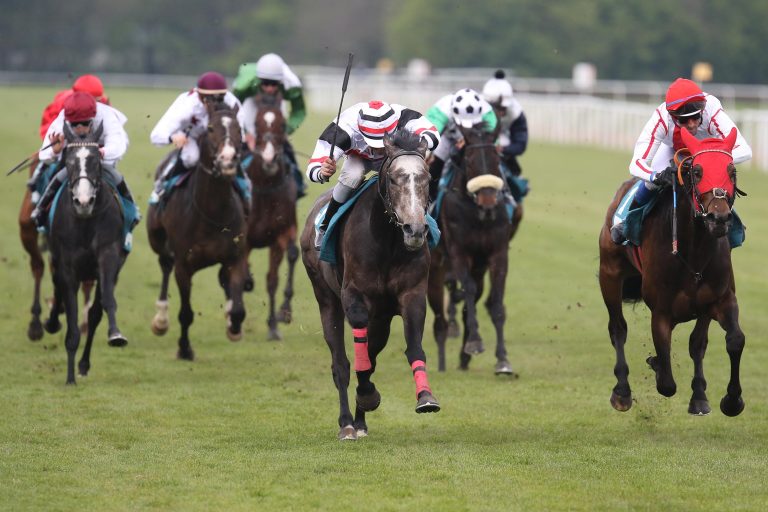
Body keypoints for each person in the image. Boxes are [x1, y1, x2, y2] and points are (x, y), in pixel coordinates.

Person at [610, 78, 753, 244]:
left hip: (709, 153)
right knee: (651, 183)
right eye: (684, 120)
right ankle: (627, 220)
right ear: (672, 116)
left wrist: (710, 161)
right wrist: (655, 176)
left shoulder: (711, 108)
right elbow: (636, 164)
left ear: (702, 110)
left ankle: (730, 222)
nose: (692, 124)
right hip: (673, 150)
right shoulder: (661, 118)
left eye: (695, 117)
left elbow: (744, 150)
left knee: (716, 183)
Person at [306, 100, 440, 249]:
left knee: (411, 174)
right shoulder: (344, 128)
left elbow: (433, 134)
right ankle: (326, 223)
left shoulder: (403, 116)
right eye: (373, 143)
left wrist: (418, 147)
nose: (379, 150)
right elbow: (313, 168)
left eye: (381, 144)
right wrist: (322, 172)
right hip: (360, 158)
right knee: (352, 175)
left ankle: (420, 221)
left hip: (394, 154)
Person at [31, 92, 135, 225]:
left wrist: (102, 152)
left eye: (85, 123)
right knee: (60, 176)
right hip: (75, 161)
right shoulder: (62, 119)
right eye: (74, 124)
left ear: (93, 117)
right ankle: (40, 210)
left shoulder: (107, 116)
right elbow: (43, 155)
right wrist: (54, 151)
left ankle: (131, 214)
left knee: (116, 176)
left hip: (101, 159)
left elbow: (118, 145)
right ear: (68, 120)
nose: (79, 128)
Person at [149, 71, 244, 204]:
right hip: (192, 137)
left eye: (219, 98)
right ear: (200, 95)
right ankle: (163, 184)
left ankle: (246, 192)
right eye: (210, 99)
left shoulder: (232, 102)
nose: (214, 104)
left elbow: (240, 132)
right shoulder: (186, 105)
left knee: (233, 158)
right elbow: (156, 135)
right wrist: (173, 137)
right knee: (191, 157)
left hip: (220, 139)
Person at [233, 53, 308, 198]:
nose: (269, 88)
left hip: (277, 106)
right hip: (249, 105)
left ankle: (298, 183)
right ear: (258, 80)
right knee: (242, 145)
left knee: (283, 146)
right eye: (265, 83)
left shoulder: (292, 86)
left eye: (274, 84)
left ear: (281, 82)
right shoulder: (244, 86)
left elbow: (299, 111)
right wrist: (246, 133)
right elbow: (233, 109)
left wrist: (286, 130)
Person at [30, 74, 111, 204]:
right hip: (67, 146)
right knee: (53, 167)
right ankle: (37, 192)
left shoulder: (104, 103)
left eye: (97, 100)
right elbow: (51, 126)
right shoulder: (64, 103)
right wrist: (55, 148)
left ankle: (129, 210)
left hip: (92, 149)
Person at [425, 88, 498, 200]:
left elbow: (490, 139)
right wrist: (427, 153)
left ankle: (503, 194)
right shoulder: (441, 110)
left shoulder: (487, 113)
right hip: (446, 138)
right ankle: (430, 198)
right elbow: (428, 136)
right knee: (434, 165)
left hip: (474, 139)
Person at [482, 70, 528, 178]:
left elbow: (520, 144)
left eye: (503, 108)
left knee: (504, 142)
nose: (501, 113)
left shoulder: (516, 113)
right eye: (497, 108)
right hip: (478, 141)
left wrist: (502, 149)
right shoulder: (475, 108)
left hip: (502, 144)